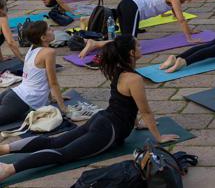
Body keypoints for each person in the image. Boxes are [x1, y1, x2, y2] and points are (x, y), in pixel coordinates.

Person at [0, 35, 180, 182]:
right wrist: (158, 137)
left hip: (101, 118)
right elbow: (145, 110)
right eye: (138, 46)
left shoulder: (117, 70)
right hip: (108, 131)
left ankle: (6, 149)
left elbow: (124, 103)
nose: (141, 48)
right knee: (63, 153)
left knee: (54, 142)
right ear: (131, 53)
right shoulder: (134, 79)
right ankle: (9, 169)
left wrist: (136, 123)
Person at [78, 0, 198, 58]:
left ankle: (87, 21)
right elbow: (181, 19)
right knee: (130, 43)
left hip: (127, 3)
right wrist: (189, 38)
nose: (185, 1)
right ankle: (94, 44)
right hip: (133, 8)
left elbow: (178, 17)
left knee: (126, 40)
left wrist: (190, 31)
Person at [0, 20, 66, 126]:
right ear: (43, 38)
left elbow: (43, 79)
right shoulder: (49, 52)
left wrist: (51, 98)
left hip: (13, 93)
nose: (53, 30)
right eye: (49, 29)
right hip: (20, 100)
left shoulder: (32, 48)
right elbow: (53, 82)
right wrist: (63, 108)